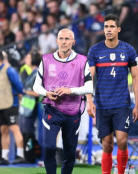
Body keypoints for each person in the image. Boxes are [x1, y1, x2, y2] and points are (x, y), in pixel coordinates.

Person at [86, 14, 138, 174]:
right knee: (107, 144)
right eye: (106, 27)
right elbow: (89, 77)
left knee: (122, 141)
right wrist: (89, 101)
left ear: (118, 29)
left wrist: (137, 105)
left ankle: (121, 172)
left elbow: (136, 78)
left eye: (111, 27)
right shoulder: (95, 50)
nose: (108, 30)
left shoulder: (128, 50)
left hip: (122, 104)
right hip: (102, 105)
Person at [33, 28, 93, 174]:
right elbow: (36, 86)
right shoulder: (46, 60)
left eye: (67, 39)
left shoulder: (82, 60)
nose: (64, 42)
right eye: (61, 38)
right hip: (52, 110)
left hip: (73, 112)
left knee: (70, 152)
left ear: (73, 42)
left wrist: (70, 90)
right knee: (49, 147)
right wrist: (47, 93)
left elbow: (90, 87)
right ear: (57, 41)